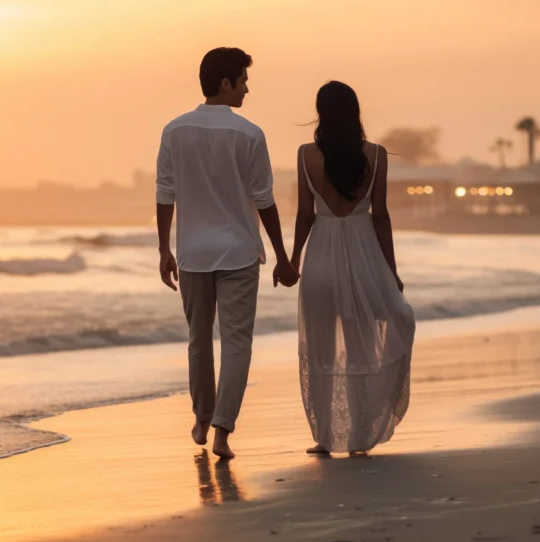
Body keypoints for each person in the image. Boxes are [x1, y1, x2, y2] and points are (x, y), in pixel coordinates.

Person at [156, 47, 299, 459]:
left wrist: (164, 248)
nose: (247, 88)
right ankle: (222, 430)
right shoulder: (249, 134)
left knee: (198, 340)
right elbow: (264, 200)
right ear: (226, 83)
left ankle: (202, 417)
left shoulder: (174, 130)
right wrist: (284, 257)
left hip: (193, 253)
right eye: (243, 80)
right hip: (238, 251)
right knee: (237, 342)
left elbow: (166, 193)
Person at [291, 81, 415, 455]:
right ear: (355, 111)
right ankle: (361, 434)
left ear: (321, 113)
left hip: (321, 257)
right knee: (366, 346)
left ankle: (325, 437)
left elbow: (304, 215)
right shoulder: (376, 154)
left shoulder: (305, 155)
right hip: (363, 253)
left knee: (321, 349)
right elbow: (381, 216)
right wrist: (390, 272)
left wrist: (293, 260)